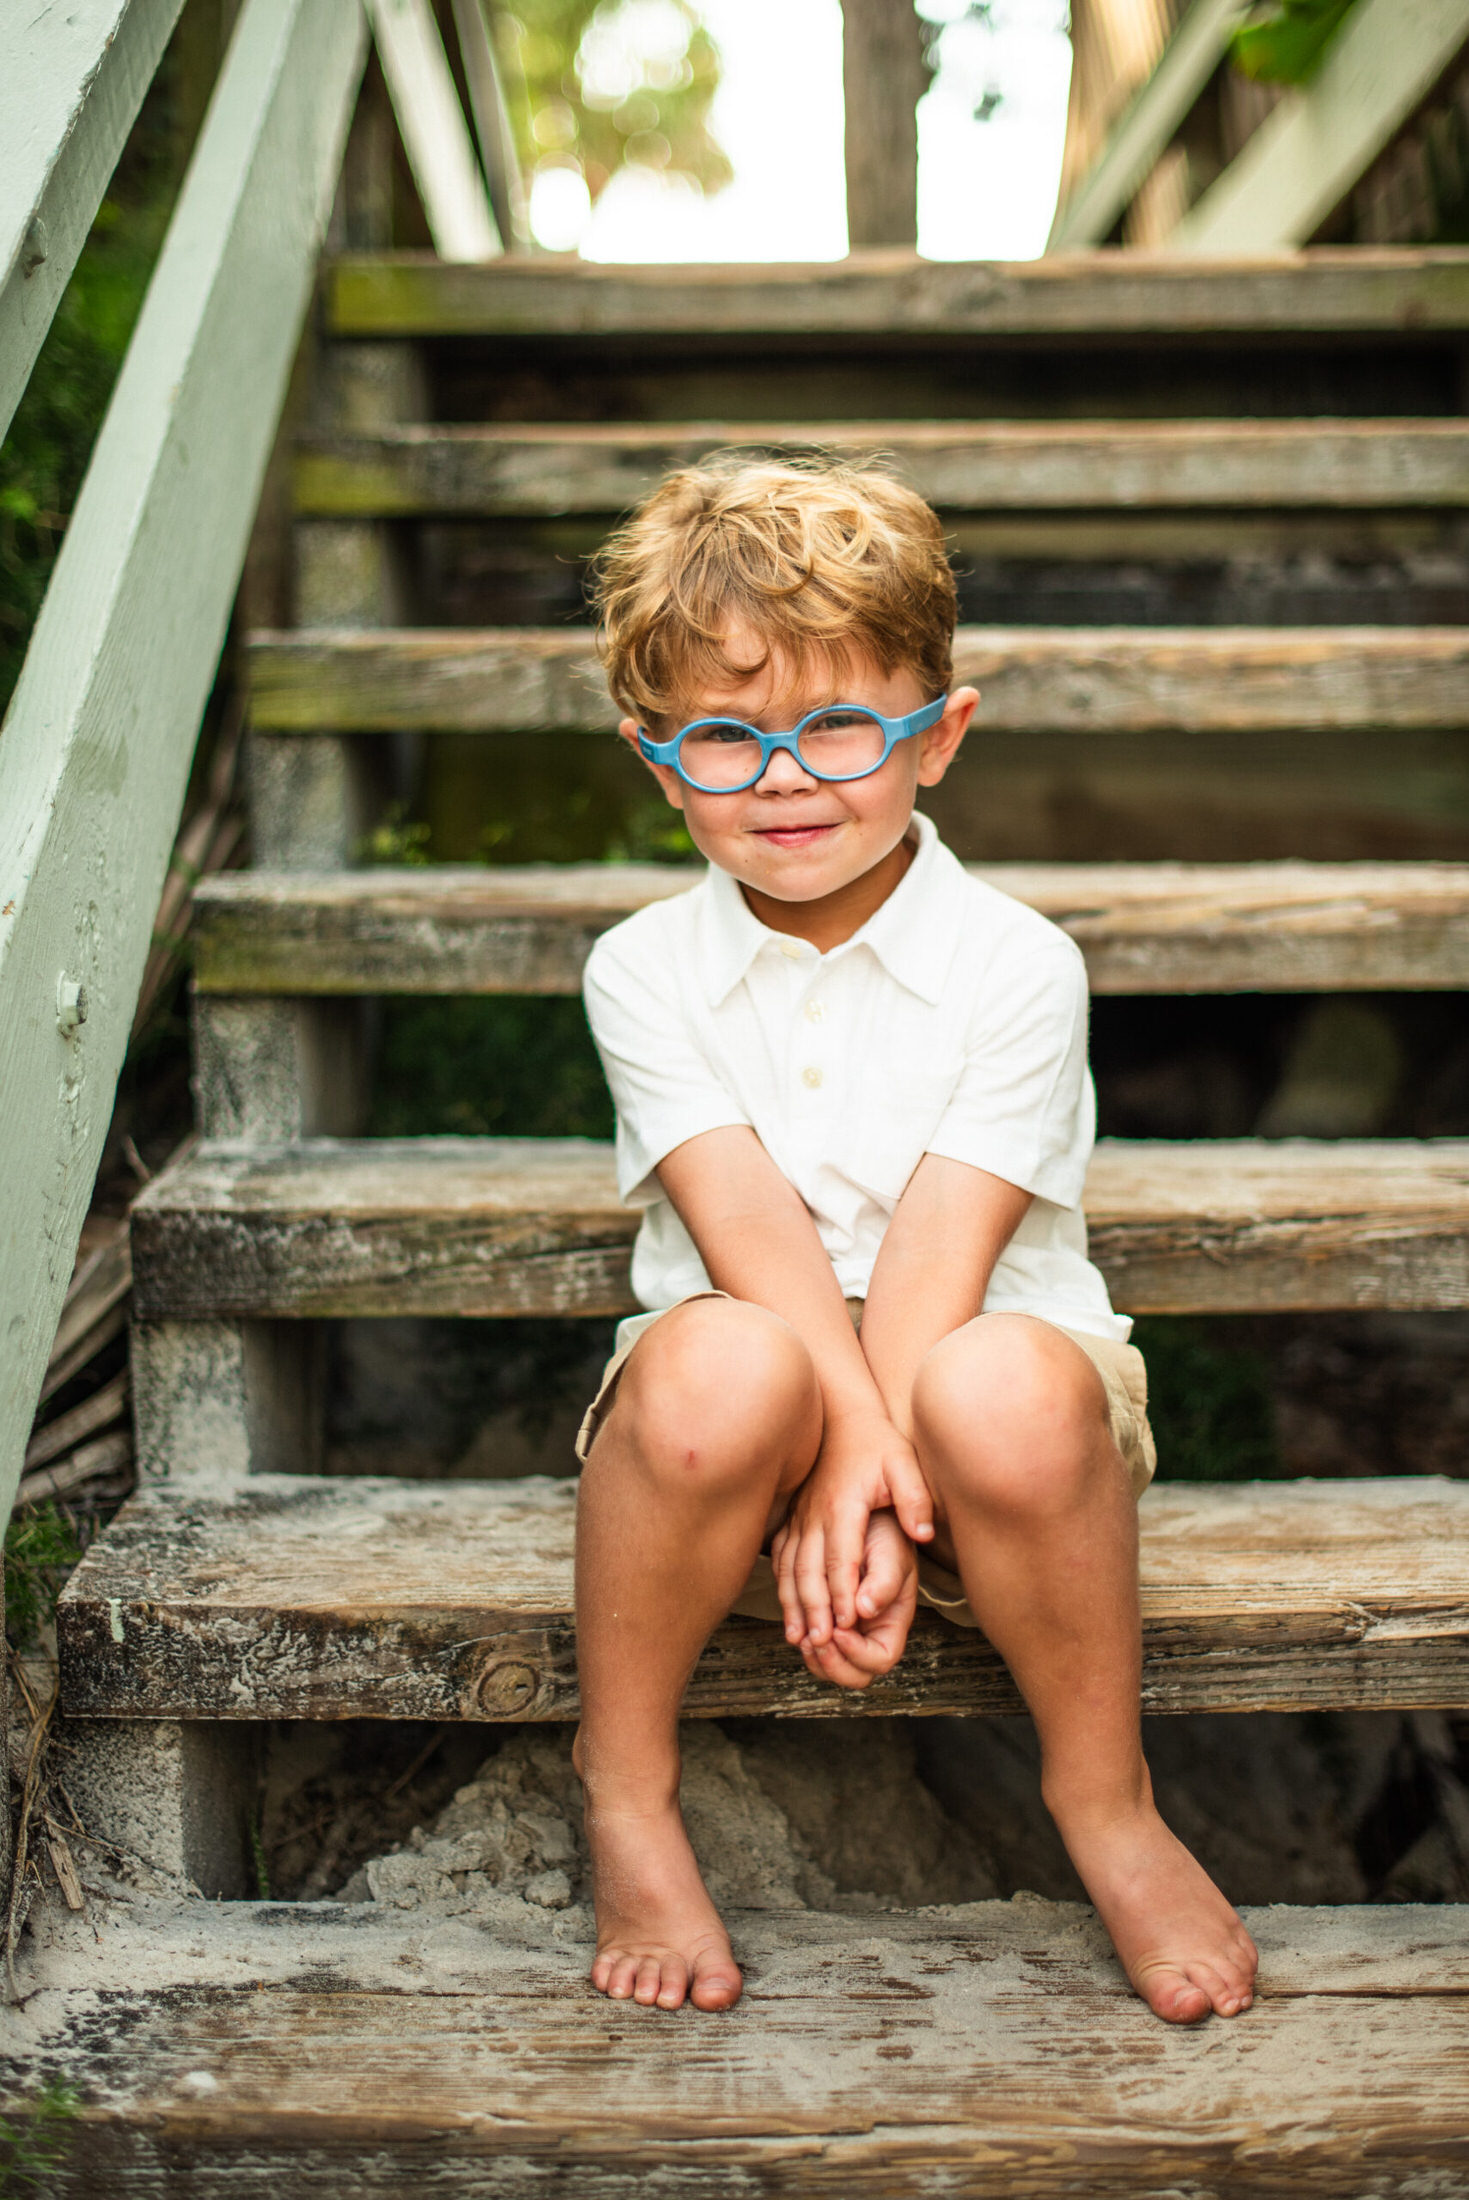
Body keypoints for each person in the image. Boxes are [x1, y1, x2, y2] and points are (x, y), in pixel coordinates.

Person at [572, 453, 1258, 2025]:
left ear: (934, 737)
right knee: (722, 1365)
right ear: (657, 764)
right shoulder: (640, 972)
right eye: (722, 738)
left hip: (994, 1438)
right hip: (738, 1455)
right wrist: (826, 1468)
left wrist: (864, 1472)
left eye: (836, 726)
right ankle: (624, 1793)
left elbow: (941, 1272)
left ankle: (1105, 1802)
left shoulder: (1015, 967)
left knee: (1000, 1384)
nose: (783, 776)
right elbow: (744, 1232)